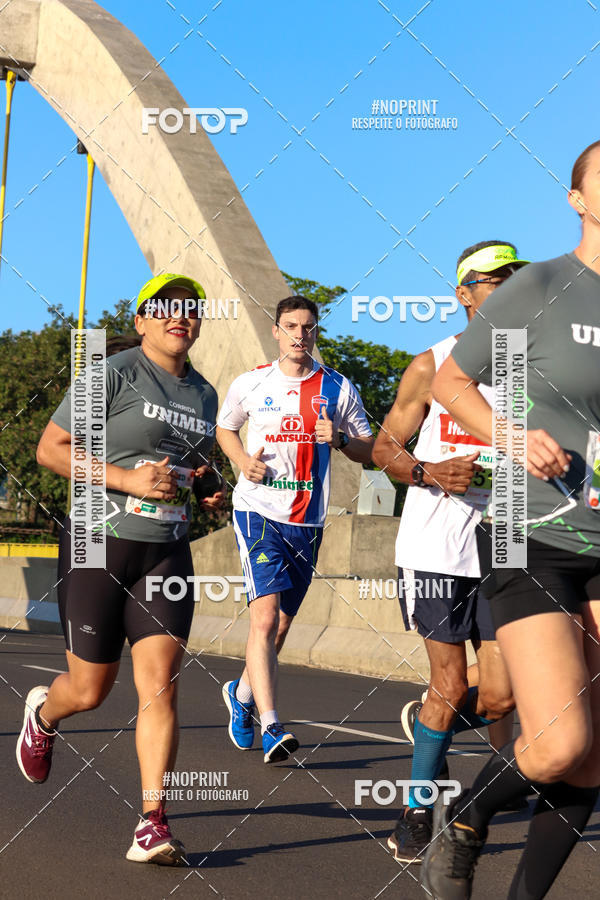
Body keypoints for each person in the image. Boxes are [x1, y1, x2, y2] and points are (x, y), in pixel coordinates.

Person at [421, 141, 600, 899]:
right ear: (577, 199)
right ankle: (464, 814)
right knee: (560, 741)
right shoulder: (543, 287)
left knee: (593, 757)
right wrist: (510, 433)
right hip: (537, 534)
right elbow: (451, 381)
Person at [16, 273, 223, 866]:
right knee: (89, 690)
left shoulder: (205, 396)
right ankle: (44, 713)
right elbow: (50, 449)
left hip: (164, 549)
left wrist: (204, 486)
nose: (178, 317)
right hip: (96, 543)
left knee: (161, 684)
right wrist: (126, 478)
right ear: (140, 321)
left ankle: (152, 823)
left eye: (189, 309)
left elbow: (190, 465)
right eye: (164, 309)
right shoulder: (111, 374)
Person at [372, 241, 529, 863]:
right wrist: (429, 471)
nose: (508, 287)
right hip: (437, 544)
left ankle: (435, 726)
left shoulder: (531, 366)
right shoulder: (429, 364)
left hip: (510, 540)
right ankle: (417, 806)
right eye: (494, 280)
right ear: (464, 294)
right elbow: (384, 449)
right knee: (448, 679)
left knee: (503, 694)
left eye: (515, 277)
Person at [216, 295, 374, 763]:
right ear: (275, 331)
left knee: (280, 628)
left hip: (308, 520)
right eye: (290, 326)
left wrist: (342, 440)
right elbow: (225, 429)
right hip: (257, 511)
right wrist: (242, 460)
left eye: (307, 327)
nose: (299, 335)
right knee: (263, 620)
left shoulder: (339, 388)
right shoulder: (250, 381)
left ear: (315, 332)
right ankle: (271, 726)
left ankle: (241, 695)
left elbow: (370, 449)